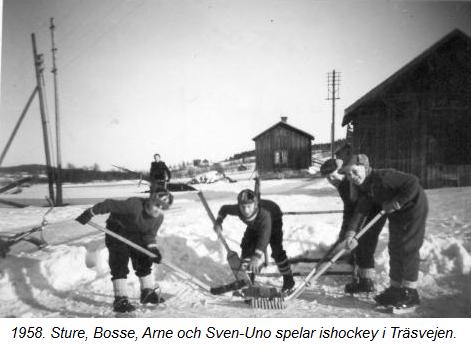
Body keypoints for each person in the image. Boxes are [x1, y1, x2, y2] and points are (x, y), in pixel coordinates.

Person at [341, 154, 429, 309]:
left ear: (365, 167)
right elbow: (360, 212)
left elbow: (413, 183)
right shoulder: (365, 187)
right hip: (395, 211)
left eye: (354, 171)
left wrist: (397, 202)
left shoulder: (383, 177)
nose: (352, 177)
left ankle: (410, 292)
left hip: (412, 208)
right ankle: (395, 289)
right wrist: (350, 234)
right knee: (395, 247)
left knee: (407, 247)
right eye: (348, 174)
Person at [75, 195, 169, 313]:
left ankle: (147, 292)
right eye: (157, 205)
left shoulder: (159, 218)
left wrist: (152, 249)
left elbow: (149, 234)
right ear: (150, 202)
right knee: (119, 262)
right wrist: (90, 212)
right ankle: (120, 300)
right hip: (117, 229)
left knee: (143, 259)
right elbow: (109, 204)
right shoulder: (134, 205)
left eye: (162, 207)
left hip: (136, 233)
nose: (158, 209)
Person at [320, 156, 386, 294]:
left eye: (333, 176)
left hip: (373, 211)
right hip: (360, 214)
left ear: (341, 171)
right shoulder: (342, 185)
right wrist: (345, 231)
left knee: (365, 243)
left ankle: (366, 282)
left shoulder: (348, 183)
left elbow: (357, 208)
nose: (331, 180)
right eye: (327, 178)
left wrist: (349, 230)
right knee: (357, 243)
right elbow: (348, 210)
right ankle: (362, 280)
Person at [213, 189, 295, 293]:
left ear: (255, 205)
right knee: (246, 245)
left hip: (273, 219)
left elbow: (264, 238)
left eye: (249, 206)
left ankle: (289, 281)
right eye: (243, 207)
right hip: (255, 225)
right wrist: (218, 222)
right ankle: (248, 279)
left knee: (277, 250)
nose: (246, 210)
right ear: (239, 205)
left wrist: (256, 257)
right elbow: (224, 209)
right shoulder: (238, 209)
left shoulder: (264, 214)